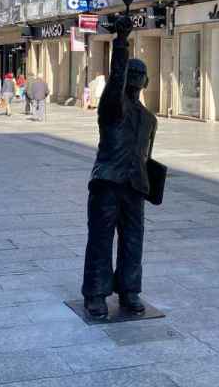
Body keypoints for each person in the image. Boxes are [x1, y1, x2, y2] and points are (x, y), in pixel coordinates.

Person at [82, 16, 157, 320]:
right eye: (132, 71)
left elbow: (146, 156)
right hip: (108, 183)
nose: (136, 75)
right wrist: (121, 41)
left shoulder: (150, 119)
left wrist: (152, 182)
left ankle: (129, 289)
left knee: (133, 240)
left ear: (147, 81)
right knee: (101, 238)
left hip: (134, 187)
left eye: (141, 72)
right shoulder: (114, 106)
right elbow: (115, 81)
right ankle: (96, 293)